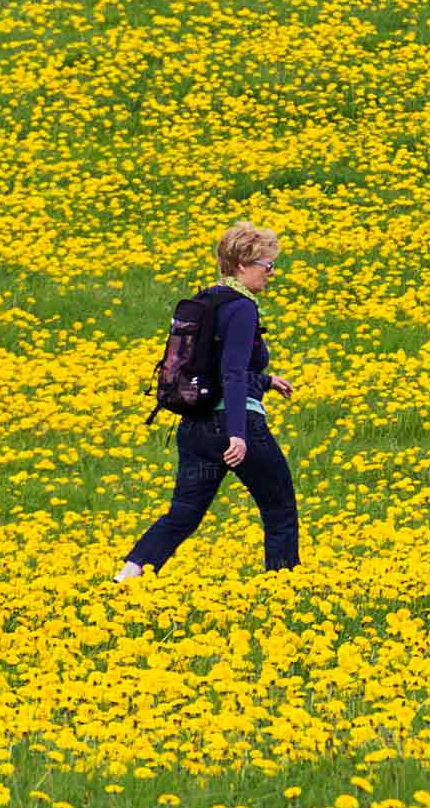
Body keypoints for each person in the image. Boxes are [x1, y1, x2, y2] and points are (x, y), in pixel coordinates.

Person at [118, 221, 300, 578]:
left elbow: (214, 368)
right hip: (235, 424)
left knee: (183, 512)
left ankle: (128, 575)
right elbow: (231, 372)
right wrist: (237, 433)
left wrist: (265, 381)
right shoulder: (243, 307)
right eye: (267, 265)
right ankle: (284, 590)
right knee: (280, 509)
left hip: (195, 426)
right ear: (243, 264)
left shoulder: (207, 300)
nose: (271, 273)